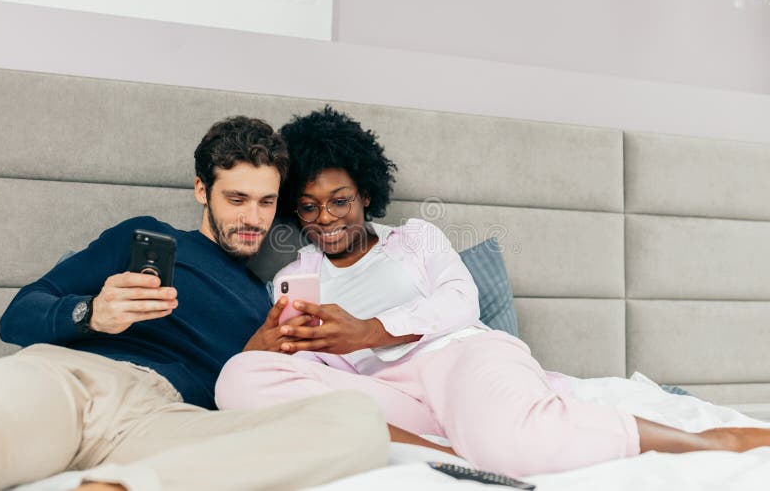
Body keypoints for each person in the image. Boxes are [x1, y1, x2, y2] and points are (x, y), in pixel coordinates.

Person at [215, 106, 770, 478]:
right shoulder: (299, 267)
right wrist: (278, 341)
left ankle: (710, 443)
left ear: (365, 193)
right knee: (237, 378)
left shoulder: (416, 239)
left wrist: (369, 330)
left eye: (340, 200)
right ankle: (447, 454)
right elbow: (292, 368)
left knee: (513, 445)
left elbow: (461, 302)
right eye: (308, 207)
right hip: (386, 397)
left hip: (455, 359)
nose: (326, 218)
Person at [0, 116, 390, 491]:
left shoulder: (268, 302)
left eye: (267, 202)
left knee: (359, 420)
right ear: (202, 190)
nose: (253, 219)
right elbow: (17, 316)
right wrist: (92, 313)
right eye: (237, 199)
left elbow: (253, 398)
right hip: (78, 384)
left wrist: (256, 355)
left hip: (172, 421)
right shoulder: (148, 235)